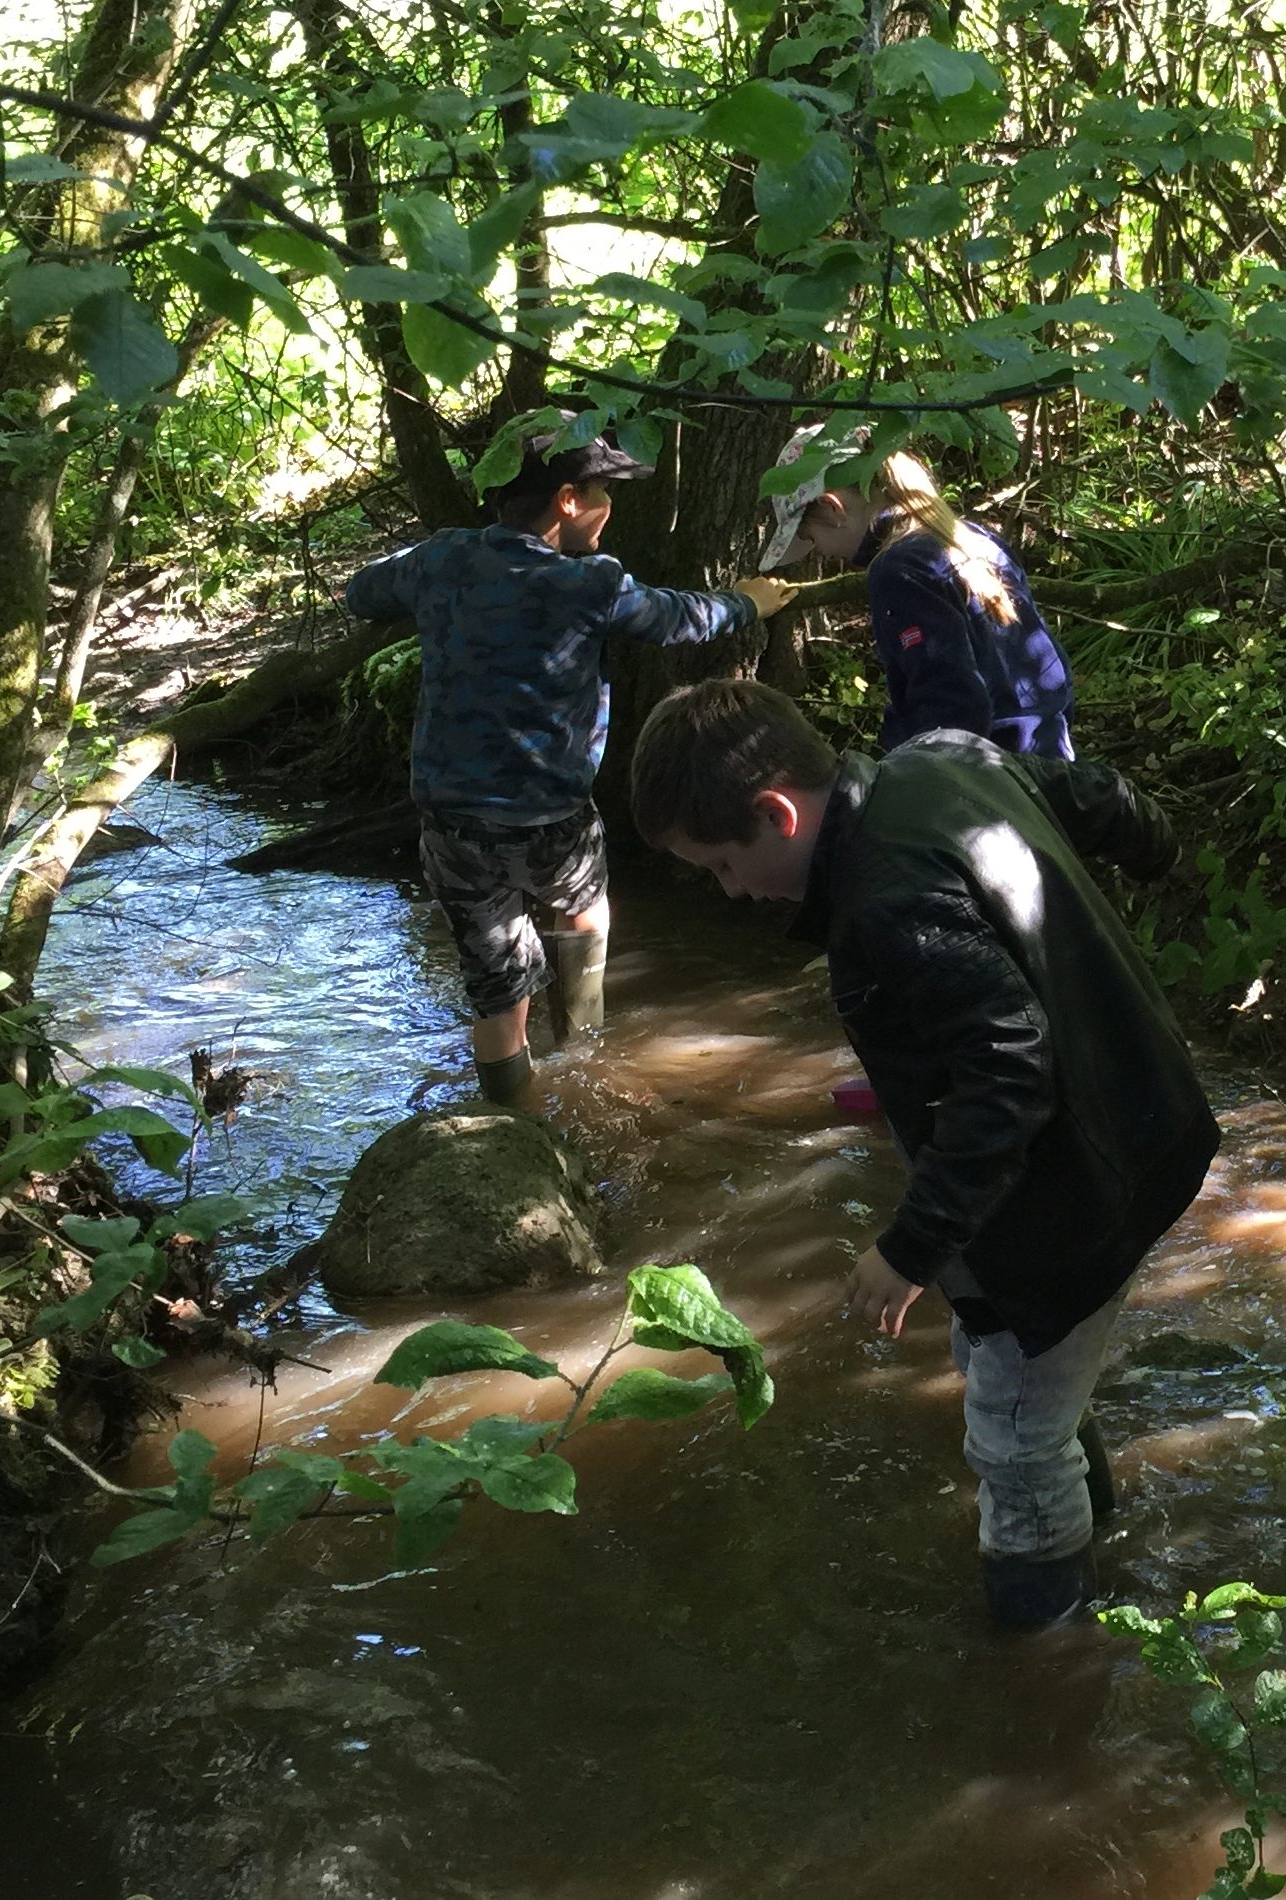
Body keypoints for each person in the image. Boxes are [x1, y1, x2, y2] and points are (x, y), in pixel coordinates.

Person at [628, 678, 1220, 1630]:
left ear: (776, 813)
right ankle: (1095, 1526)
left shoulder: (885, 905)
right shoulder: (943, 759)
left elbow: (1009, 1077)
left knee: (1016, 1445)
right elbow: (1096, 797)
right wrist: (1163, 856)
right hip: (1143, 1113)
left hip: (1074, 1181)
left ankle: (1046, 1667)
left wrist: (911, 1247)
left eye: (723, 866)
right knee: (1022, 1368)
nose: (731, 892)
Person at [345, 418, 798, 1107]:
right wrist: (748, 603)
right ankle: (585, 1062)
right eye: (602, 492)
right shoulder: (590, 583)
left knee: (496, 994)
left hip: (452, 822)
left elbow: (361, 593)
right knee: (585, 913)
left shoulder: (444, 560)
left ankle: (515, 1124)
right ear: (565, 501)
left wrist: (439, 573)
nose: (609, 508)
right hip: (551, 815)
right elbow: (681, 619)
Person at [759, 426, 1076, 759]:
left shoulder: (898, 569)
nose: (819, 552)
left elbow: (950, 707)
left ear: (833, 509)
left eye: (809, 537)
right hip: (1048, 761)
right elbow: (1051, 668)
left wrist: (908, 779)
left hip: (993, 783)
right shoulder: (974, 538)